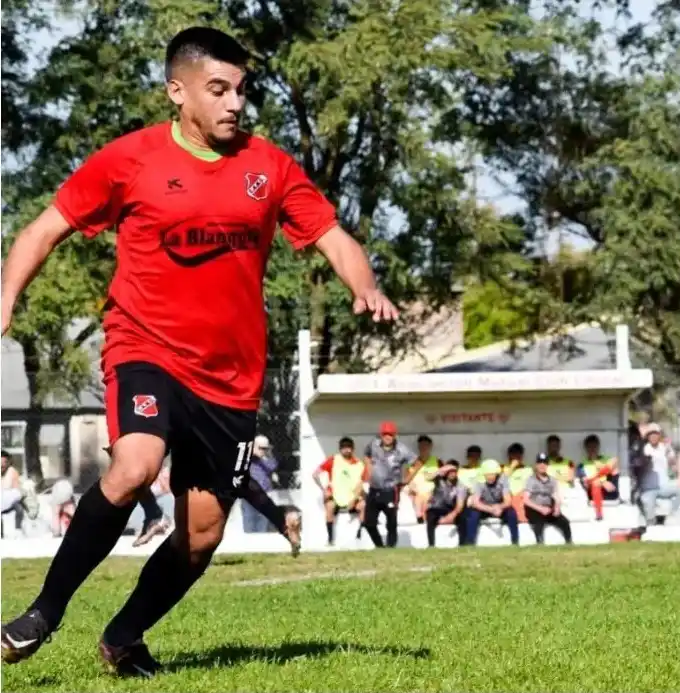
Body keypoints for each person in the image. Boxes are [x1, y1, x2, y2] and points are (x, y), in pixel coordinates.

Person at [0, 27, 397, 676]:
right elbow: (45, 228)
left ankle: (124, 637)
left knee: (204, 531)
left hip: (231, 378)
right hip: (144, 346)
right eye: (218, 89)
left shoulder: (269, 167)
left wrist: (365, 284)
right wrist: (6, 297)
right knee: (134, 464)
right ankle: (42, 612)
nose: (234, 102)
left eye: (241, 89)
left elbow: (331, 235)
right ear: (176, 92)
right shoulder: (130, 159)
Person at [361, 421, 415, 549]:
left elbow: (416, 463)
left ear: (395, 435)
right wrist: (369, 469)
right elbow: (366, 455)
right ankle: (379, 546)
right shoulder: (373, 444)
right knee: (369, 522)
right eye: (385, 434)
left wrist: (407, 479)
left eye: (390, 434)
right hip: (374, 489)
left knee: (391, 522)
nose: (387, 437)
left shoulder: (402, 449)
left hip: (391, 490)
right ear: (381, 434)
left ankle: (390, 548)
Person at [313, 437, 366, 546]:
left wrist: (355, 498)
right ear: (340, 449)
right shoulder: (333, 460)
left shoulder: (359, 464)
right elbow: (315, 474)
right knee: (329, 506)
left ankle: (360, 535)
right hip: (336, 496)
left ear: (353, 449)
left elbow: (361, 483)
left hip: (352, 497)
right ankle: (330, 538)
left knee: (364, 506)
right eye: (344, 448)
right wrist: (323, 490)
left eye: (349, 447)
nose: (347, 450)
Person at [637, 424, 680, 525]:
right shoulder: (644, 449)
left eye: (655, 434)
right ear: (647, 437)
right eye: (651, 434)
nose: (653, 437)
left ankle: (672, 515)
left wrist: (669, 454)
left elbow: (673, 465)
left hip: (664, 485)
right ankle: (650, 524)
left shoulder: (665, 448)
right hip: (649, 487)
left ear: (659, 435)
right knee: (649, 510)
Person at [464, 459, 519, 545]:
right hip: (485, 507)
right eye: (487, 474)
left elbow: (508, 501)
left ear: (497, 474)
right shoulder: (479, 481)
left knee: (511, 513)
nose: (490, 477)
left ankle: (515, 540)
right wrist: (491, 510)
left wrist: (499, 507)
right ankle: (470, 541)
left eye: (492, 474)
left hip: (499, 506)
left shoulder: (503, 480)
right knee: (473, 514)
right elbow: (476, 503)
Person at [522, 454, 572, 545]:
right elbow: (526, 500)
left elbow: (556, 496)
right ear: (536, 465)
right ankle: (540, 542)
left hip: (548, 508)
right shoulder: (531, 480)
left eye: (545, 463)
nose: (542, 465)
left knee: (564, 521)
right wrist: (540, 509)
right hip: (534, 509)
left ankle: (569, 542)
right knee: (538, 521)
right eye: (540, 463)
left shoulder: (552, 480)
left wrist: (557, 508)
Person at [424, 462, 467, 547]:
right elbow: (427, 477)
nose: (452, 474)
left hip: (450, 507)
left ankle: (462, 544)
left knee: (462, 517)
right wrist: (441, 470)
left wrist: (451, 516)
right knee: (430, 514)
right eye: (450, 472)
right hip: (437, 506)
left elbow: (459, 506)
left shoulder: (461, 486)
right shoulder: (439, 480)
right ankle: (431, 545)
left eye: (454, 472)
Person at [579, 435, 619, 521]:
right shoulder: (582, 465)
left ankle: (597, 479)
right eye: (590, 447)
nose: (592, 449)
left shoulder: (606, 459)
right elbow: (585, 483)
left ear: (598, 446)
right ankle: (599, 513)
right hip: (593, 493)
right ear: (586, 448)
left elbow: (614, 463)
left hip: (609, 491)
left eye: (594, 446)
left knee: (614, 460)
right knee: (595, 483)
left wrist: (600, 476)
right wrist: (603, 482)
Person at [0, 450, 40, 527]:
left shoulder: (12, 472)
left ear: (8, 462)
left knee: (19, 509)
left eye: (4, 462)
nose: (2, 464)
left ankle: (18, 529)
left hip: (11, 500)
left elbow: (17, 490)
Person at [407, 435, 441, 524]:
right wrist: (410, 486)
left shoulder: (437, 461)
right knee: (418, 496)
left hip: (430, 492)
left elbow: (442, 479)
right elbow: (406, 478)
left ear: (430, 446)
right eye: (421, 445)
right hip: (416, 492)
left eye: (425, 445)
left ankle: (423, 519)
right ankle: (421, 518)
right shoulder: (412, 461)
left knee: (426, 500)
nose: (423, 448)